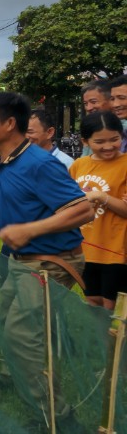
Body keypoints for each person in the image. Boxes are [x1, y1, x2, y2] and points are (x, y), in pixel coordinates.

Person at [0, 92, 93, 434]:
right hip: (22, 259)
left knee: (24, 332)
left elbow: (81, 209)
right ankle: (19, 380)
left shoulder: (40, 163)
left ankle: (57, 416)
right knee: (8, 322)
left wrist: (29, 229)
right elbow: (22, 204)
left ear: (8, 123)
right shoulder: (3, 161)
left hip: (50, 260)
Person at [69, 111, 127, 307]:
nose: (108, 146)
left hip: (116, 250)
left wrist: (101, 197)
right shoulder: (79, 165)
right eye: (100, 142)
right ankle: (96, 339)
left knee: (110, 305)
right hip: (85, 248)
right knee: (92, 302)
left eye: (114, 139)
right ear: (85, 141)